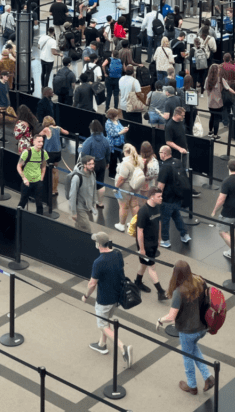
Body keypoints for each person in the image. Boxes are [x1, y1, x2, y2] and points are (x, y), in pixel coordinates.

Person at [156, 260, 215, 394]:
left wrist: (160, 320)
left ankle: (192, 386)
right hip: (202, 327)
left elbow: (171, 316)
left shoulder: (179, 291)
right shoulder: (199, 281)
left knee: (187, 356)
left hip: (188, 331)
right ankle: (208, 377)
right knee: (194, 349)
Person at [82, 232, 133, 368]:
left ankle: (123, 348)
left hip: (104, 300)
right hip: (117, 298)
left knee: (102, 325)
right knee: (106, 321)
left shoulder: (98, 262)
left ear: (98, 244)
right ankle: (102, 345)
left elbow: (92, 284)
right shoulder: (117, 254)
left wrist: (86, 296)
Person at [134, 191, 169, 302]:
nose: (161, 198)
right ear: (152, 196)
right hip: (146, 243)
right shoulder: (143, 211)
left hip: (153, 241)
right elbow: (139, 231)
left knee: (144, 263)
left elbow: (158, 223)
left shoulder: (157, 207)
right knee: (151, 267)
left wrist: (159, 238)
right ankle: (161, 292)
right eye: (159, 196)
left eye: (161, 196)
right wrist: (142, 248)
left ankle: (138, 282)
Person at [156, 145, 191, 246]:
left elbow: (160, 186)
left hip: (167, 199)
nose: (159, 154)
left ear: (164, 153)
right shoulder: (177, 162)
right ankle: (184, 235)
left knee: (164, 220)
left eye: (160, 153)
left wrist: (158, 198)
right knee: (177, 216)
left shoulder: (165, 167)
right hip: (178, 197)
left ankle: (165, 240)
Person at [80, 120, 111, 209]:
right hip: (102, 163)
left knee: (88, 184)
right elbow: (108, 152)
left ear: (91, 129)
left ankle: (89, 205)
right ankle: (100, 203)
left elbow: (84, 154)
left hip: (91, 164)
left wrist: (84, 164)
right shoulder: (106, 140)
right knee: (100, 184)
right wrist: (107, 162)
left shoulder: (89, 141)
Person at [17, 135, 48, 214]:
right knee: (23, 201)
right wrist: (24, 178)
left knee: (39, 203)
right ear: (33, 142)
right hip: (27, 182)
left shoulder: (43, 153)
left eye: (42, 142)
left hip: (38, 181)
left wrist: (41, 178)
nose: (41, 144)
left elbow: (44, 166)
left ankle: (40, 220)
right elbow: (19, 166)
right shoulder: (27, 152)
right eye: (39, 141)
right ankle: (18, 217)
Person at [68, 155, 98, 231]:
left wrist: (94, 203)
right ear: (84, 165)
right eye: (90, 164)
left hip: (88, 206)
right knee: (87, 229)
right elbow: (72, 195)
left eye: (93, 164)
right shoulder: (77, 178)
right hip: (80, 207)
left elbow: (93, 189)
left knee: (79, 226)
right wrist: (74, 212)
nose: (92, 166)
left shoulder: (93, 173)